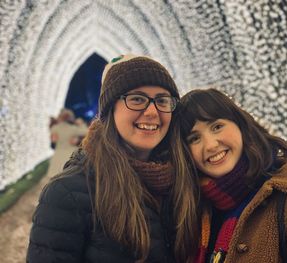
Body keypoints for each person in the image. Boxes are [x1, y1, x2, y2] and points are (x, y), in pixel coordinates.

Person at [26, 55, 199, 263]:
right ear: (110, 109)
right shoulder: (68, 194)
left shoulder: (184, 181)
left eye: (162, 100)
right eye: (137, 99)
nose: (152, 112)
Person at [177, 88, 287, 263]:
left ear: (240, 125)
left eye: (217, 127)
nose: (210, 145)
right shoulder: (193, 219)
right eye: (194, 138)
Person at [46, 108, 88, 178]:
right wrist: (81, 124)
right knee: (69, 175)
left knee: (56, 177)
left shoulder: (55, 128)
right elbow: (86, 131)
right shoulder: (73, 129)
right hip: (70, 154)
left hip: (58, 153)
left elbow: (53, 139)